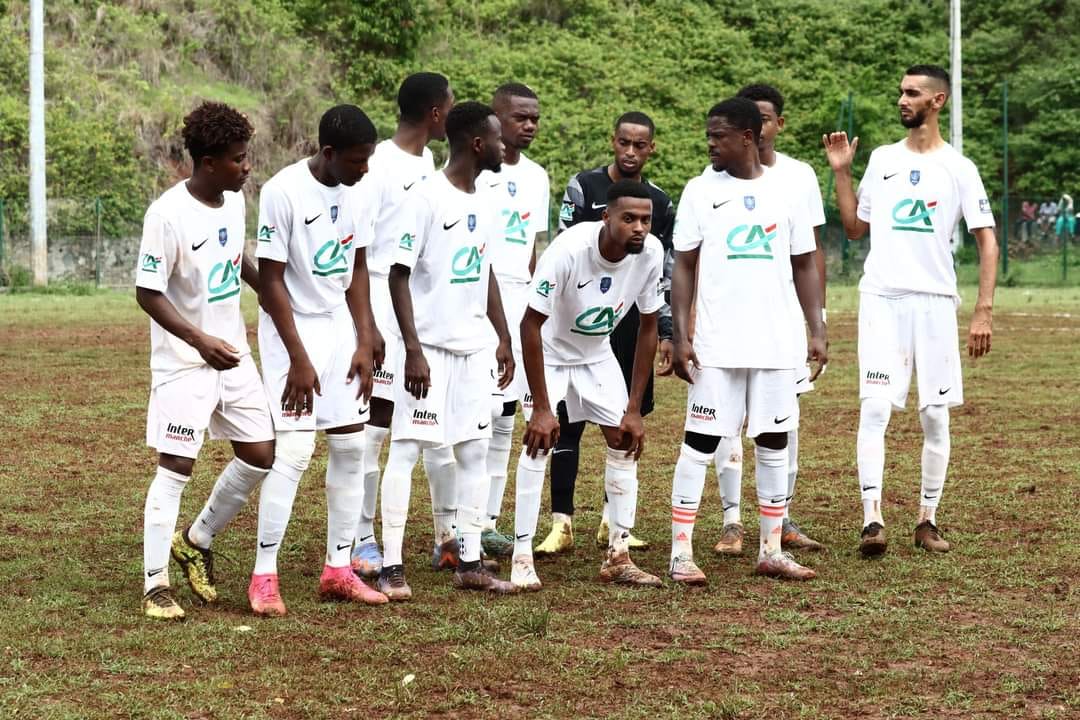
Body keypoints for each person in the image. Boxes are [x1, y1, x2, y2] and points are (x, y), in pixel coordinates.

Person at [823, 64, 998, 557]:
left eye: (913, 93)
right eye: (900, 91)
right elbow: (856, 227)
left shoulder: (959, 167)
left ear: (937, 101)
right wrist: (842, 173)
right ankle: (872, 519)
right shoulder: (881, 159)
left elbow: (988, 242)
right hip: (882, 298)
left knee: (935, 415)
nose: (902, 99)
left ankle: (927, 518)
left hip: (936, 304)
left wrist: (982, 310)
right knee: (875, 407)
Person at [670, 97, 827, 583]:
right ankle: (681, 554)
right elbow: (683, 263)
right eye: (708, 136)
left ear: (748, 136)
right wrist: (680, 332)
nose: (711, 144)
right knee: (700, 441)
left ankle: (771, 549)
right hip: (717, 344)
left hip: (778, 345)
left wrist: (816, 326)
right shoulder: (700, 190)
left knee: (775, 439)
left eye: (718, 136)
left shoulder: (789, 191)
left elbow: (804, 262)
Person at [136, 101, 275, 620]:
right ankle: (155, 585)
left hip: (233, 353)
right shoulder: (167, 215)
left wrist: (278, 299)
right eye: (239, 159)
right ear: (209, 161)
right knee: (176, 466)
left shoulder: (234, 202)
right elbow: (148, 293)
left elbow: (236, 261)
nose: (247, 167)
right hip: (185, 361)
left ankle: (197, 538)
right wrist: (198, 341)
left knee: (261, 453)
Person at [249, 105, 387, 616]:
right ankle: (264, 576)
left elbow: (357, 267)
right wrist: (298, 359)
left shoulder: (363, 190)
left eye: (369, 159)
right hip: (293, 328)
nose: (365, 169)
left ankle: (338, 569)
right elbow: (271, 281)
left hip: (338, 326)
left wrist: (366, 336)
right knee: (295, 452)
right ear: (328, 154)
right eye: (356, 160)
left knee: (351, 446)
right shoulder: (282, 191)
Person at [377, 101, 518, 599]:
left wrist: (502, 337)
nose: (505, 147)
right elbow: (398, 275)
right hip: (429, 353)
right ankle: (391, 566)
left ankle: (472, 560)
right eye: (499, 138)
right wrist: (412, 349)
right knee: (408, 451)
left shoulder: (485, 199)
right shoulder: (425, 198)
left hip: (473, 351)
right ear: (478, 144)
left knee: (475, 452)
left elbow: (487, 272)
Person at [513, 179, 666, 590]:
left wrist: (634, 408)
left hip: (596, 353)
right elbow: (530, 325)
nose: (639, 228)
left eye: (646, 220)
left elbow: (649, 326)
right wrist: (543, 409)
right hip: (550, 350)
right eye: (629, 219)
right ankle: (521, 556)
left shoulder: (651, 253)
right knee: (538, 444)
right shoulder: (568, 251)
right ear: (606, 218)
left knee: (624, 440)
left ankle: (619, 555)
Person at [536, 111, 675, 556]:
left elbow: (662, 269)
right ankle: (561, 521)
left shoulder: (659, 202)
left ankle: (610, 522)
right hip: (577, 320)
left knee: (623, 424)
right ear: (613, 142)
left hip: (629, 322)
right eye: (624, 143)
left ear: (652, 148)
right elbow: (566, 250)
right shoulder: (583, 186)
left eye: (640, 145)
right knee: (568, 425)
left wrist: (667, 328)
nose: (631, 152)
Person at [349, 72, 457, 579]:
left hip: (413, 305)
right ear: (436, 112)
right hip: (377, 298)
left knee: (417, 424)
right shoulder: (380, 166)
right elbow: (361, 247)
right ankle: (361, 536)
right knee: (375, 426)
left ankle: (446, 534)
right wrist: (367, 327)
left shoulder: (430, 160)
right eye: (450, 104)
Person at [475, 82, 550, 559]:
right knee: (479, 415)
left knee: (508, 416)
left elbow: (530, 251)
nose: (529, 126)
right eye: (520, 117)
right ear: (495, 118)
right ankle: (458, 522)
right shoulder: (475, 174)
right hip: (479, 303)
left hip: (521, 305)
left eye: (535, 119)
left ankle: (488, 521)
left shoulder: (538, 176)